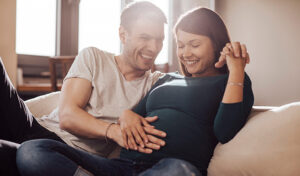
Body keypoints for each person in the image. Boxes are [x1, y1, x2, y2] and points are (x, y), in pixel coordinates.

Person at [16, 7, 254, 176]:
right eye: (180, 45)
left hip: (168, 167)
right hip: (121, 167)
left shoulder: (233, 82)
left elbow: (225, 130)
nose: (185, 53)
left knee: (181, 172)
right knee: (32, 152)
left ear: (216, 44)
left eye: (195, 44)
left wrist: (235, 71)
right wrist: (126, 116)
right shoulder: (166, 79)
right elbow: (133, 114)